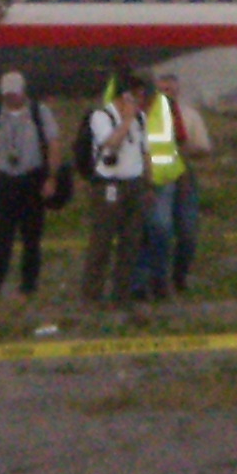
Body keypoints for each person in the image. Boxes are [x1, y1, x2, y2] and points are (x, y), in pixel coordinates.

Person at [0, 72, 59, 303]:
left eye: (15, 93)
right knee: (2, 237)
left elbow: (53, 145)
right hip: (6, 181)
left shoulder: (39, 113)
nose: (11, 98)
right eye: (7, 94)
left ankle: (28, 284)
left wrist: (51, 177)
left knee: (31, 237)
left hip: (32, 179)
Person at [131, 71, 214, 301]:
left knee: (168, 230)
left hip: (169, 176)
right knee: (156, 230)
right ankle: (150, 281)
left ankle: (166, 278)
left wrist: (183, 172)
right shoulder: (133, 112)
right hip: (147, 178)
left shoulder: (173, 111)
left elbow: (185, 143)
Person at [78, 74, 150, 306]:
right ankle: (92, 294)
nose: (140, 100)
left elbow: (144, 151)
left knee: (130, 241)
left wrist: (148, 183)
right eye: (135, 95)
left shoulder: (141, 118)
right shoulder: (101, 116)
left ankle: (122, 294)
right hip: (109, 184)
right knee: (102, 241)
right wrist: (126, 121)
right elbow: (110, 143)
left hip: (134, 184)